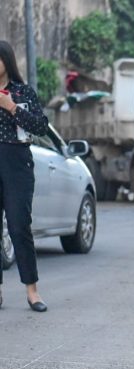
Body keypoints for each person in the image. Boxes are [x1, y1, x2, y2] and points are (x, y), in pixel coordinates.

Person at [0, 41, 50, 312]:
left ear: (6, 61)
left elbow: (41, 126)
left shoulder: (22, 92)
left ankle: (32, 291)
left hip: (17, 163)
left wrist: (11, 107)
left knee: (20, 226)